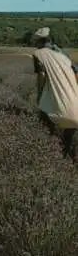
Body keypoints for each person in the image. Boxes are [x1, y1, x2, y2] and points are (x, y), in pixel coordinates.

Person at [32, 27, 78, 163]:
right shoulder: (62, 55)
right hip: (75, 104)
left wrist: (39, 94)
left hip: (57, 103)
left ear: (38, 42)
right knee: (68, 136)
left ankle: (46, 159)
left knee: (44, 128)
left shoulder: (38, 54)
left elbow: (41, 75)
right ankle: (66, 160)